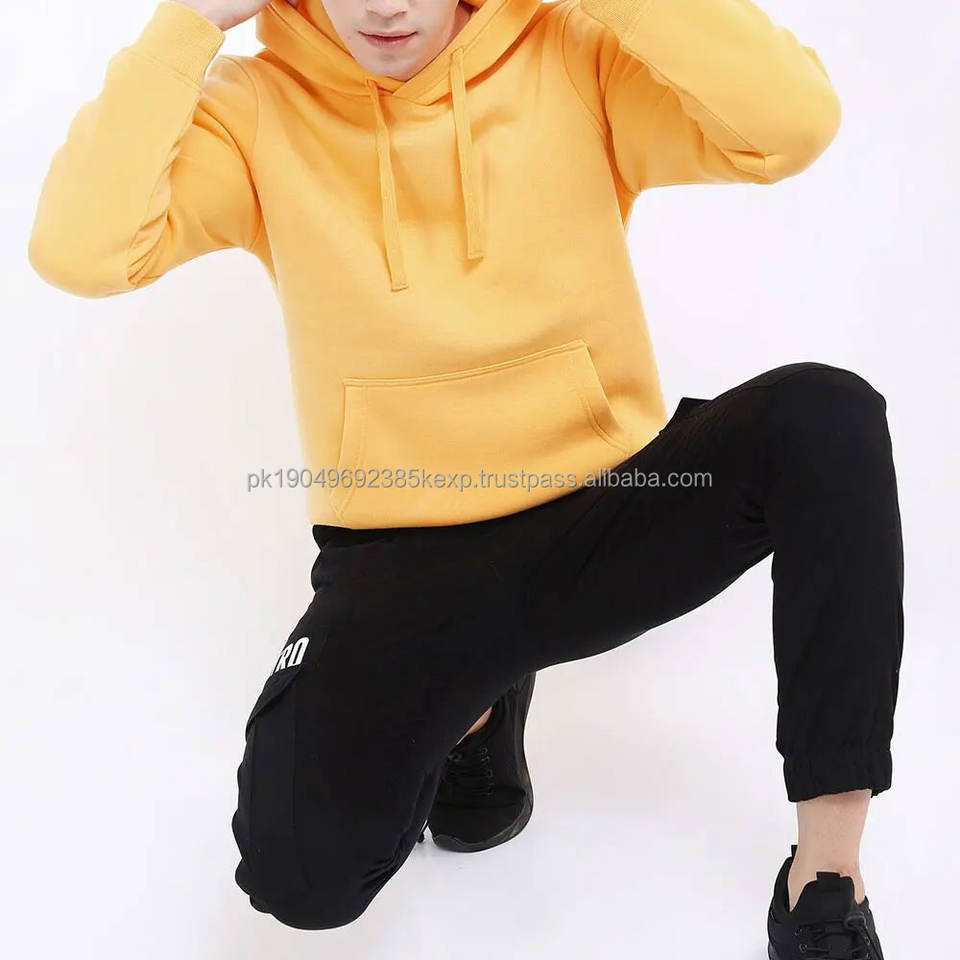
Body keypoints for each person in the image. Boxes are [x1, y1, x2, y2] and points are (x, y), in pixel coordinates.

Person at [28, 0, 902, 956]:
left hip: (608, 511)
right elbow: (81, 253)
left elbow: (792, 125)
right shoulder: (258, 110)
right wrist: (189, 20)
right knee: (299, 877)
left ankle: (828, 875)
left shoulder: (570, 54)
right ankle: (476, 706)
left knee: (827, 418)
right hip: (406, 558)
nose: (386, 6)